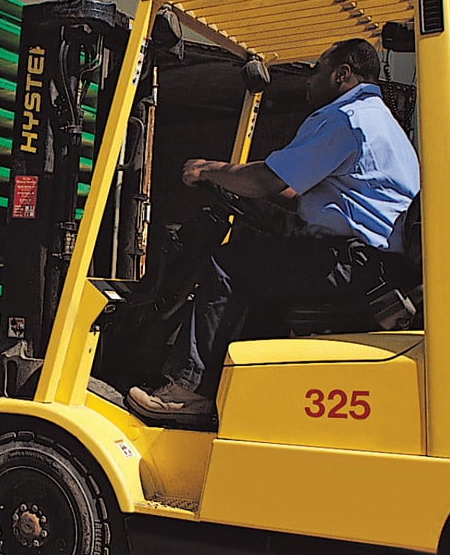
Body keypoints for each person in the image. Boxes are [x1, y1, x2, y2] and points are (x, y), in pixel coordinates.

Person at [125, 38, 420, 428]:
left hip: (352, 263)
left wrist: (209, 171)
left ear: (342, 74)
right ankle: (244, 391)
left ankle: (187, 390)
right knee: (264, 270)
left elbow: (269, 179)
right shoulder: (384, 124)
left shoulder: (345, 118)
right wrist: (244, 193)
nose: (309, 82)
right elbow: (293, 190)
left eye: (317, 70)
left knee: (230, 264)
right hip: (377, 264)